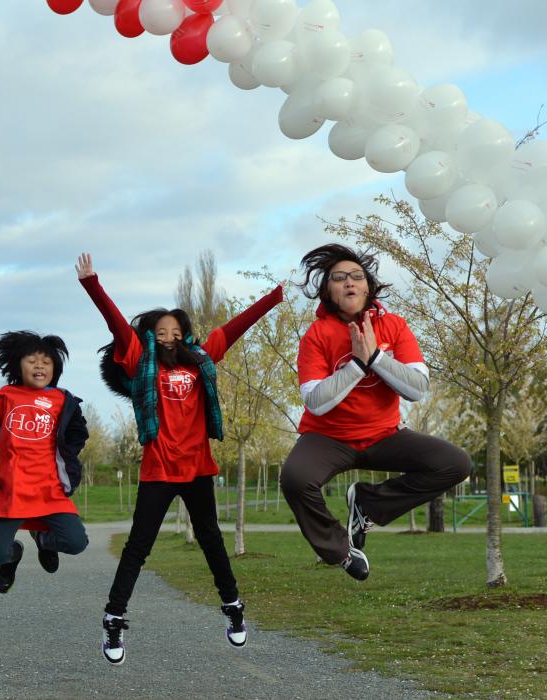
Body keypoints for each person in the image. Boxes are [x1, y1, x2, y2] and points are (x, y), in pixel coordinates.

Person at [76, 253, 282, 664]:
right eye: (162, 330)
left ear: (184, 334)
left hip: (196, 468)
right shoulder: (139, 360)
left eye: (176, 330)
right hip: (158, 469)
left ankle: (233, 607)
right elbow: (117, 324)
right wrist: (92, 284)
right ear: (152, 335)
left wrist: (274, 298)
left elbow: (234, 329)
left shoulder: (200, 359)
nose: (169, 336)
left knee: (211, 540)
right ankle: (114, 619)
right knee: (139, 545)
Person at [282, 243, 470, 581]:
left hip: (384, 435)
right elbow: (316, 402)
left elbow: (417, 389)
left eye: (356, 276)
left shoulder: (394, 326)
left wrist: (377, 358)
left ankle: (368, 505)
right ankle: (340, 551)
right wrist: (357, 363)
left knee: (455, 464)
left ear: (368, 286)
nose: (349, 282)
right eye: (339, 278)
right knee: (295, 479)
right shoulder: (317, 335)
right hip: (328, 438)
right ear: (329, 290)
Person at [0, 331, 89, 594]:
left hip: (49, 489)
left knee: (76, 543)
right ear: (18, 365)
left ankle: (45, 540)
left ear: (55, 369)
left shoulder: (62, 399)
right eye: (32, 360)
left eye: (46, 362)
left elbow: (77, 433)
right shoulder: (5, 396)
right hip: (13, 492)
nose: (39, 366)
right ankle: (13, 557)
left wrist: (67, 460)